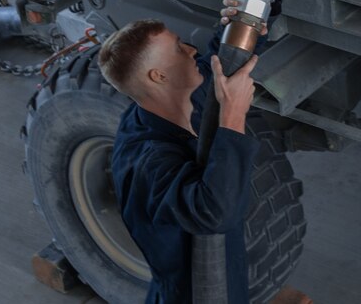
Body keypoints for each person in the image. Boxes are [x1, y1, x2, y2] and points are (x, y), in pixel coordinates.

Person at [98, 15, 260, 304]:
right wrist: (233, 115)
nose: (191, 51)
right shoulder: (146, 161)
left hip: (224, 264)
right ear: (159, 76)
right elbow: (214, 213)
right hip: (194, 293)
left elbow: (219, 62)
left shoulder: (179, 94)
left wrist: (247, 17)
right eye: (178, 48)